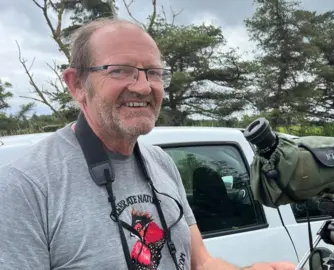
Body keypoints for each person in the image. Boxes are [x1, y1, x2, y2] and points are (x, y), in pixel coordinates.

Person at [0, 18, 298, 270]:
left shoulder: (160, 161)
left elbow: (200, 262)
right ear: (77, 84)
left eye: (153, 72)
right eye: (119, 70)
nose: (143, 87)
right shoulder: (25, 187)